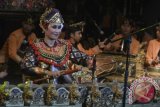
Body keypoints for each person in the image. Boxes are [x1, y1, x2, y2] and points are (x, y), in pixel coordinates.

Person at [20, 8, 93, 84]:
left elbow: (83, 57)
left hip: (68, 86)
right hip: (46, 87)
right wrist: (47, 72)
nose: (57, 31)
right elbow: (26, 66)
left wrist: (89, 61)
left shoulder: (64, 45)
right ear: (45, 28)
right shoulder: (36, 46)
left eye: (59, 27)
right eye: (54, 27)